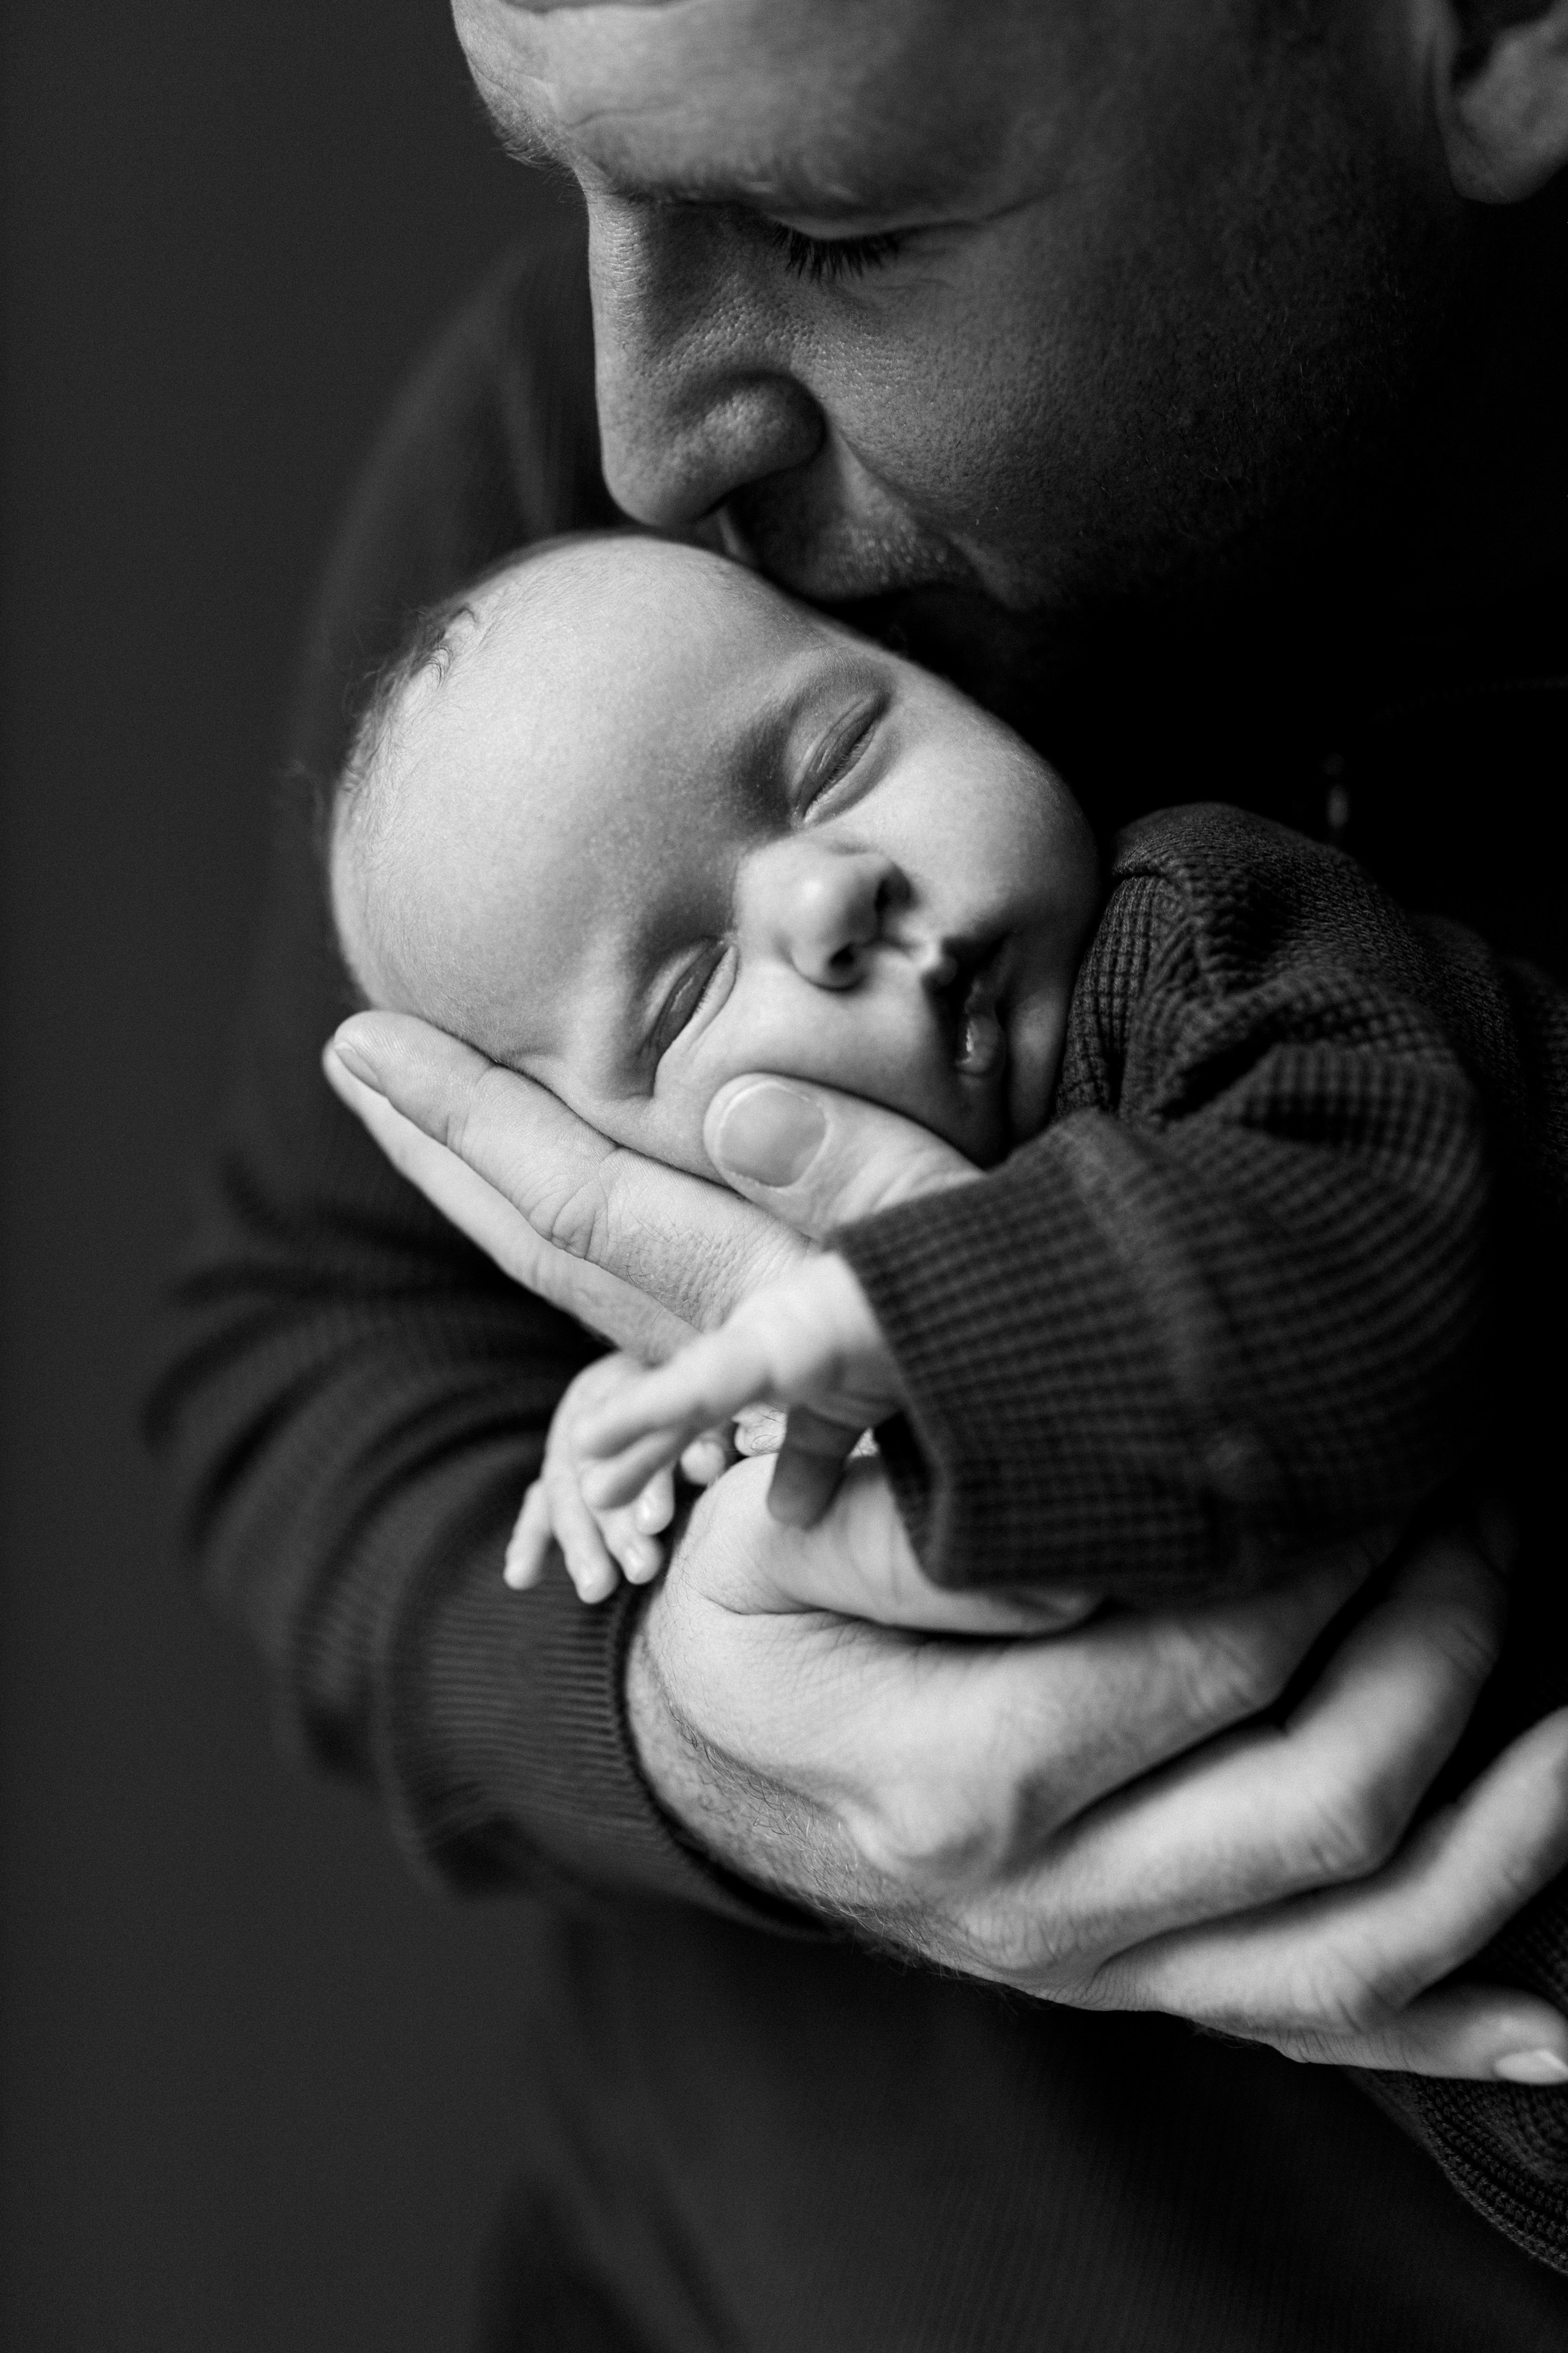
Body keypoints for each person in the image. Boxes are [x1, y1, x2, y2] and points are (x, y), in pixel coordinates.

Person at [150, 0, 1568, 2340]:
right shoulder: (598, 582)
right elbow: (308, 1341)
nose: (637, 444)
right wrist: (684, 1727)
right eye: (557, 176)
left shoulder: (1226, 935)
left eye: (837, 225)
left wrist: (913, 1325)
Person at [326, 528, 1558, 1630]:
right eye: (692, 992)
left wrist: (898, 1316)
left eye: (835, 759)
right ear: (626, 1177)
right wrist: (671, 1447)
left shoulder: (1214, 933)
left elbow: (1387, 1269)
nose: (827, 894)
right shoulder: (772, 1327)